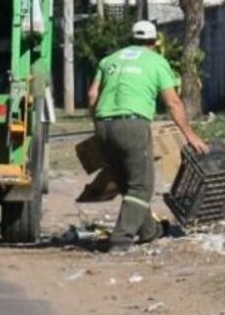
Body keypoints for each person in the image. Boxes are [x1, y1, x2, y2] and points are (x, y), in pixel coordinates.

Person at [87, 20, 209, 252]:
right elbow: (173, 102)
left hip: (103, 125)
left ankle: (149, 231)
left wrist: (98, 125)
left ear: (132, 39)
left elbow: (93, 95)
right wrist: (190, 135)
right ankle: (121, 239)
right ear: (154, 41)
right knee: (141, 187)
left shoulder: (109, 60)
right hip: (132, 125)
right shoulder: (156, 62)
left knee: (128, 185)